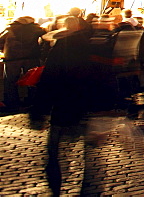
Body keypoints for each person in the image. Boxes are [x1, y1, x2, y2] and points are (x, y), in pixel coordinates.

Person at [30, 16, 101, 195]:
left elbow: (49, 79)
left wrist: (39, 110)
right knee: (88, 153)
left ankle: (55, 186)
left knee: (54, 151)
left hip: (64, 103)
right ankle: (89, 186)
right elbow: (102, 76)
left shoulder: (62, 48)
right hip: (86, 104)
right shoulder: (92, 45)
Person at [1, 15, 45, 113]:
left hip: (13, 58)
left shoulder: (10, 29)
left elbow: (0, 40)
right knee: (32, 80)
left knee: (10, 81)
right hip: (31, 57)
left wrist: (3, 49)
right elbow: (46, 39)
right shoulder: (37, 29)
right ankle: (32, 100)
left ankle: (12, 102)